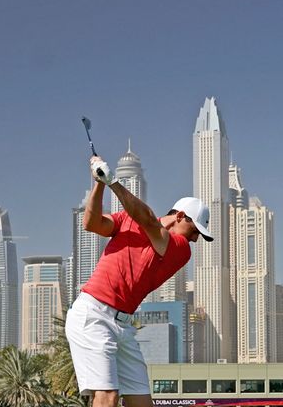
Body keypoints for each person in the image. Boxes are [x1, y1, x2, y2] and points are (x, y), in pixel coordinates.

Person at [66, 156, 213, 407]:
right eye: (195, 231)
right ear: (180, 216)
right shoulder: (127, 219)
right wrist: (99, 183)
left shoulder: (180, 248)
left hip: (123, 326)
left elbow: (146, 219)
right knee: (107, 397)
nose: (196, 239)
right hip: (93, 315)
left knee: (142, 403)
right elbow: (91, 223)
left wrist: (112, 182)